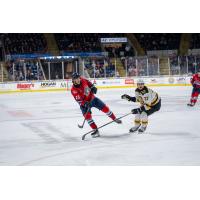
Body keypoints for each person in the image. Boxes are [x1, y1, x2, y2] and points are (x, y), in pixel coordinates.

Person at [71, 72, 122, 138]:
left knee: (105, 108)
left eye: (78, 78)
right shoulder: (73, 90)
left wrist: (93, 87)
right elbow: (79, 100)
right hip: (84, 104)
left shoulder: (83, 80)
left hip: (92, 98)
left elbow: (89, 83)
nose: (78, 79)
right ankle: (95, 130)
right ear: (73, 80)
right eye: (76, 79)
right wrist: (85, 104)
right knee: (88, 117)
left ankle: (114, 118)